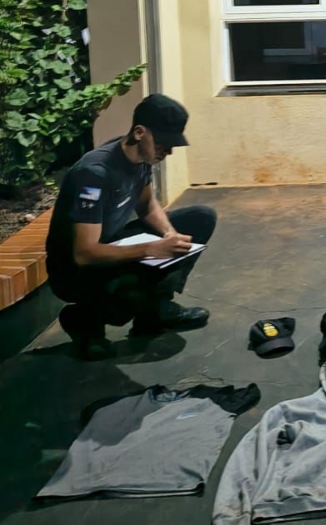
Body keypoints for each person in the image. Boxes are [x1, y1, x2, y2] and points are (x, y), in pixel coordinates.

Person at [45, 94, 217, 360]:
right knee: (132, 287)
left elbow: (147, 206)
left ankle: (156, 310)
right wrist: (151, 249)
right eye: (162, 143)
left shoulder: (141, 160)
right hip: (74, 270)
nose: (168, 152)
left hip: (110, 244)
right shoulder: (94, 173)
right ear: (139, 133)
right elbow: (84, 253)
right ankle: (84, 320)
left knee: (201, 217)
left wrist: (169, 235)